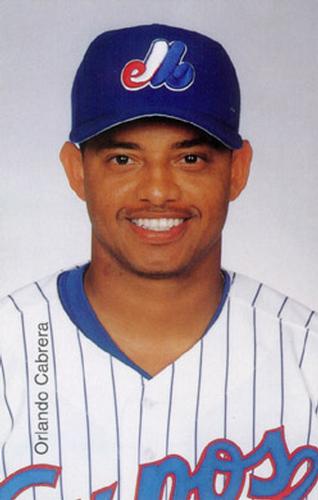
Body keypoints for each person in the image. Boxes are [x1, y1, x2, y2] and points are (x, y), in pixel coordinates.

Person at [0, 23, 317, 499]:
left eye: (190, 159)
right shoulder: (9, 351)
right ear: (76, 171)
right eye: (123, 160)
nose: (157, 191)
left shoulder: (307, 359)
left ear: (238, 170)